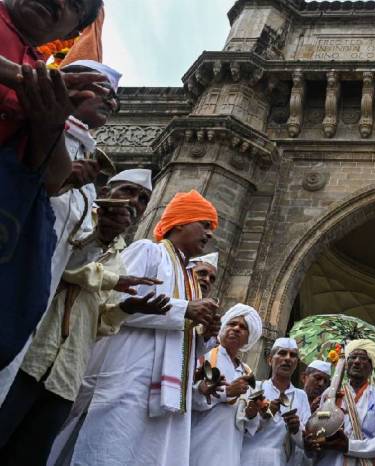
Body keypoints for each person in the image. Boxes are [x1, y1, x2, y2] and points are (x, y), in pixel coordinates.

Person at [0, 169, 166, 464]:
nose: (135, 201)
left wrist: (129, 308)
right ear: (107, 190)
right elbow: (61, 265)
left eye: (143, 199)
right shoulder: (74, 220)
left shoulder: (119, 255)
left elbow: (100, 323)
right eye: (128, 190)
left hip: (65, 377)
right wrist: (102, 245)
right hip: (29, 357)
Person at [60, 190, 221, 465]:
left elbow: (179, 345)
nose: (208, 234)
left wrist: (204, 334)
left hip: (166, 396)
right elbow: (116, 303)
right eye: (204, 224)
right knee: (109, 450)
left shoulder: (191, 282)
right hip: (130, 374)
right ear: (181, 222)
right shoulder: (149, 251)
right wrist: (185, 310)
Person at [0, 0, 107, 379]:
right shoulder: (34, 75)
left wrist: (49, 119)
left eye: (74, 6)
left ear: (69, 32)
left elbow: (52, 176)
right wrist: (22, 78)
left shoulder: (40, 80)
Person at [190, 304, 263, 466]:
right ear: (223, 327)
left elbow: (249, 427)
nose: (236, 328)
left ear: (248, 338)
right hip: (200, 445)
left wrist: (251, 414)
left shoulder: (247, 373)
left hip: (231, 451)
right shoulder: (205, 355)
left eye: (243, 327)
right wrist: (227, 392)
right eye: (232, 323)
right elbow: (189, 400)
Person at [305, 339, 375, 466]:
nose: (357, 361)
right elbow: (319, 432)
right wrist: (312, 443)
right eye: (352, 357)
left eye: (363, 358)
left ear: (371, 366)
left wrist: (348, 446)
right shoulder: (330, 394)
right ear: (346, 363)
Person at [240, 337, 311, 466]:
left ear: (296, 364)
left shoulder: (301, 396)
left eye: (293, 355)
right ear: (270, 360)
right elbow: (238, 427)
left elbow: (306, 442)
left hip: (281, 460)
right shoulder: (254, 388)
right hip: (248, 458)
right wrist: (260, 416)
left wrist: (296, 429)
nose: (288, 358)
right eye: (282, 353)